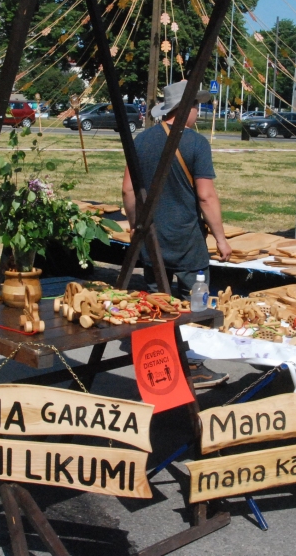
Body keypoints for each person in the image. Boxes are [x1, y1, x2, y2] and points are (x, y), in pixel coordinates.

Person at [122, 80, 232, 388]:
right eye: (196, 106)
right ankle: (193, 365)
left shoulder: (141, 141)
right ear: (185, 109)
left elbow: (128, 190)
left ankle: (157, 364)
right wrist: (221, 237)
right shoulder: (196, 144)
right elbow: (206, 196)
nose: (199, 111)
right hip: (187, 241)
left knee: (157, 302)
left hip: (151, 240)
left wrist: (135, 224)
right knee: (194, 304)